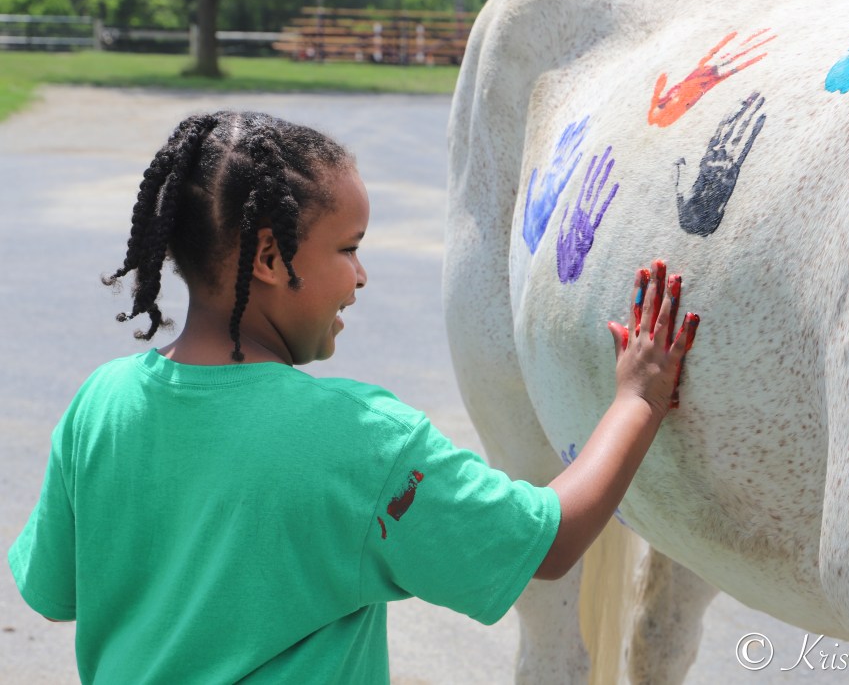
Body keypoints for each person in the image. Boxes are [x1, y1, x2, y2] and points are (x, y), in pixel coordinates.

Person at [8, 111, 699, 683]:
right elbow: (546, 542)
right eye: (348, 248)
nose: (362, 276)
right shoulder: (361, 440)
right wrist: (636, 398)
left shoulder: (99, 404)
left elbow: (53, 592)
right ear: (271, 260)